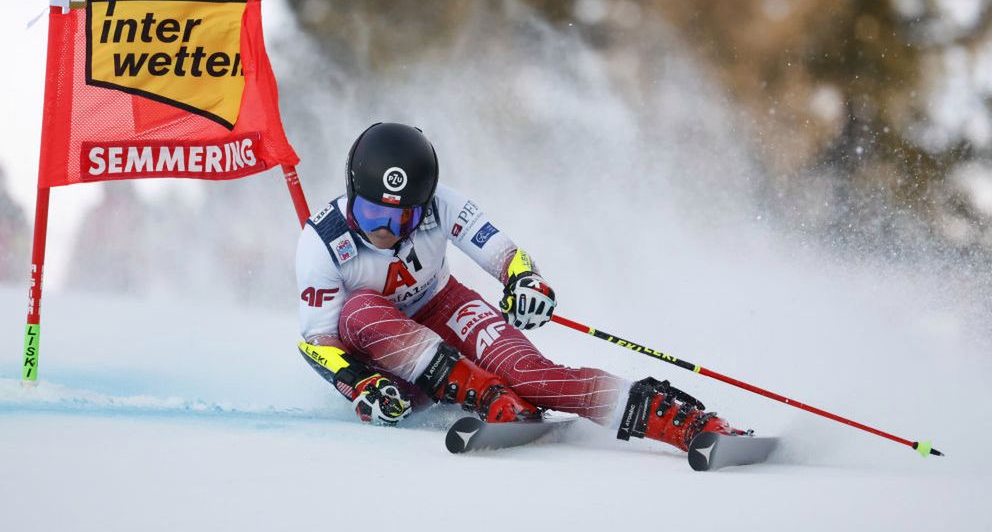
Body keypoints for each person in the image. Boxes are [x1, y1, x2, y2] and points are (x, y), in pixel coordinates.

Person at [295, 122, 741, 451]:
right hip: (390, 370)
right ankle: (490, 396)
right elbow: (318, 341)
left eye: (405, 217)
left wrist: (526, 282)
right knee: (360, 310)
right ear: (352, 193)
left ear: (425, 203)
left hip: (445, 309)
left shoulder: (443, 203)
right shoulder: (321, 243)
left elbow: (507, 256)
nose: (388, 230)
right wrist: (359, 384)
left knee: (532, 376)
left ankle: (683, 422)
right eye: (375, 216)